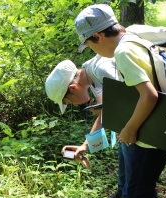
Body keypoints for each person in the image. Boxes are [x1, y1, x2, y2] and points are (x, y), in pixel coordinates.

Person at [74, 4, 166, 198]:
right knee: (137, 188)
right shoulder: (132, 36)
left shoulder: (123, 52)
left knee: (138, 192)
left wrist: (129, 129)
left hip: (150, 135)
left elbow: (149, 95)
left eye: (89, 45)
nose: (92, 50)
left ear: (98, 36)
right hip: (160, 124)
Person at [45, 55, 127, 198]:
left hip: (144, 132)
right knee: (124, 186)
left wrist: (107, 110)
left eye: (68, 102)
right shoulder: (94, 81)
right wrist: (85, 146)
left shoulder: (102, 70)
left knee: (137, 189)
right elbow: (104, 115)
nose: (75, 105)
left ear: (73, 87)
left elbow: (132, 100)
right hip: (127, 137)